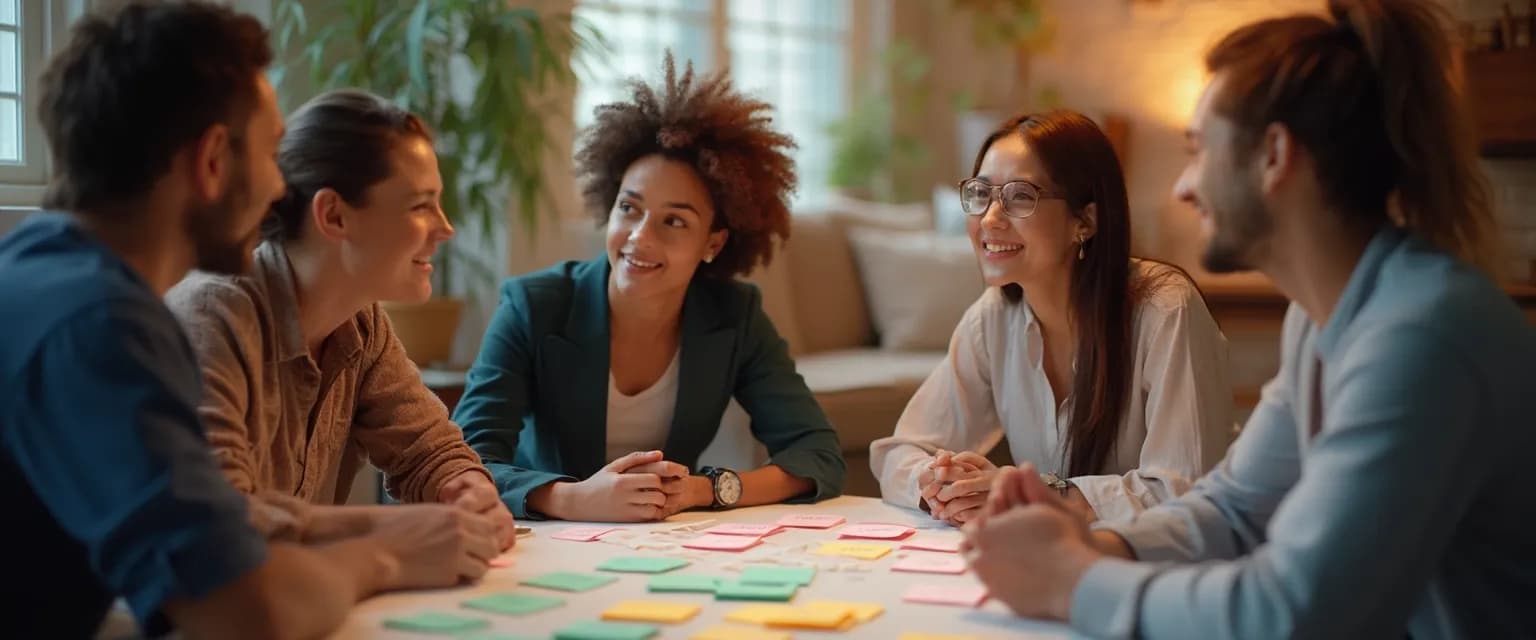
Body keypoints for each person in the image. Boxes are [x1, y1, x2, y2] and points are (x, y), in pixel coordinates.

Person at [960, 1, 1536, 638]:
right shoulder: (1327, 320)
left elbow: (1293, 611)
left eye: (1198, 149)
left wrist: (1073, 581)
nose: (1182, 187)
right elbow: (1236, 509)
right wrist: (1097, 546)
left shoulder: (1420, 338)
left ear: (1274, 156)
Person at [0, 3, 499, 638]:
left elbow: (222, 524)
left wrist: (396, 522)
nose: (278, 191)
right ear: (212, 161)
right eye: (269, 155)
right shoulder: (103, 329)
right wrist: (389, 550)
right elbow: (247, 610)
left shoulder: (44, 278)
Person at [452, 53, 845, 522]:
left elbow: (817, 454)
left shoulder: (735, 314)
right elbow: (463, 465)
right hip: (545, 537)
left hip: (664, 539)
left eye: (674, 220)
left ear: (713, 243)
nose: (640, 237)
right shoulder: (533, 305)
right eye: (629, 208)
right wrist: (572, 498)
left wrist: (704, 490)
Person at [167, 89, 516, 548]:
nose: (445, 228)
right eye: (420, 205)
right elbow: (218, 524)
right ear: (333, 215)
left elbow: (430, 451)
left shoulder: (361, 324)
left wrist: (467, 491)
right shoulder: (214, 316)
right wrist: (395, 534)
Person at [869, 110, 1235, 526]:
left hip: (1171, 567)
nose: (990, 218)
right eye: (981, 194)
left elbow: (1183, 491)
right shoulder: (994, 316)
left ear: (1085, 221)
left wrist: (1037, 494)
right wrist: (943, 484)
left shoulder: (1166, 309)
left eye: (1020, 196)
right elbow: (897, 452)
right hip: (1060, 559)